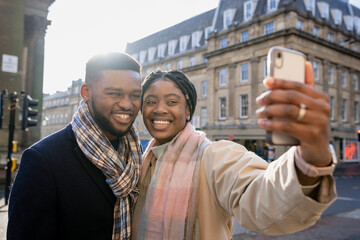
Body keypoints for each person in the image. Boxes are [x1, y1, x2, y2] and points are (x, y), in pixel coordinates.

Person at [131, 66, 337, 240]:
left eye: (172, 102)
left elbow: (263, 198)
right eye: (150, 102)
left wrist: (311, 156)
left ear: (188, 111)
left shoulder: (214, 156)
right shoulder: (140, 162)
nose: (160, 109)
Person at [8, 52, 143, 240]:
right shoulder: (43, 160)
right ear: (86, 92)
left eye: (135, 95)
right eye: (114, 93)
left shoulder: (138, 157)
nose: (127, 104)